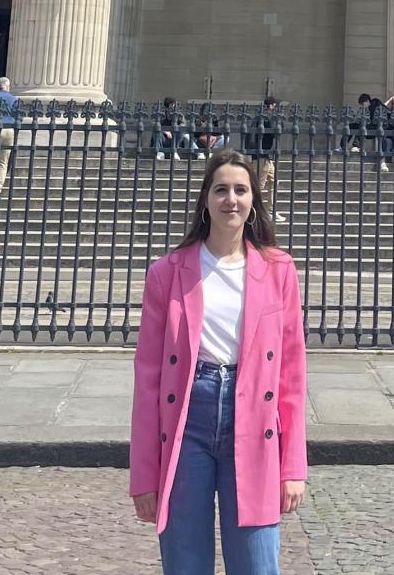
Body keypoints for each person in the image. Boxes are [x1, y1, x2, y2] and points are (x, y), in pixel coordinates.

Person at [130, 149, 308, 574]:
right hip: (188, 413)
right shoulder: (166, 272)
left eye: (241, 190)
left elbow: (291, 376)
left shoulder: (278, 269)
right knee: (185, 560)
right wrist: (143, 475)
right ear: (206, 200)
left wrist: (293, 466)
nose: (232, 199)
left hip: (253, 414)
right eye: (221, 189)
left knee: (256, 561)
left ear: (253, 201)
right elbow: (148, 381)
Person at [246, 96, 286, 223]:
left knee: (273, 181)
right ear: (271, 105)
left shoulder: (262, 116)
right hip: (261, 155)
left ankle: (271, 210)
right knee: (259, 185)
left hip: (266, 156)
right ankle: (251, 210)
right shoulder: (266, 117)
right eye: (275, 105)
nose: (276, 108)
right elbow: (274, 132)